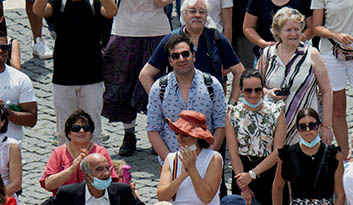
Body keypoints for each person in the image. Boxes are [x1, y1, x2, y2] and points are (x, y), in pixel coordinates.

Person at [31, 0, 113, 146]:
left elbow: (112, 11)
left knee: (93, 130)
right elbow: (38, 10)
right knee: (63, 132)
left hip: (92, 77)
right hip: (63, 77)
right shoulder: (59, 4)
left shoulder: (94, 4)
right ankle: (65, 166)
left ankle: (96, 166)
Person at [273, 108, 345, 205]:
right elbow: (277, 188)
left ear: (319, 126)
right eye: (302, 126)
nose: (307, 130)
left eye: (312, 125)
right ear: (297, 129)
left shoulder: (333, 153)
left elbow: (340, 195)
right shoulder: (288, 154)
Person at [101, 0, 171, 157]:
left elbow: (164, 2)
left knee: (157, 88)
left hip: (156, 31)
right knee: (122, 86)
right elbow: (110, 6)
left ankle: (158, 134)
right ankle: (129, 134)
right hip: (125, 30)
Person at [140, 0, 245, 104]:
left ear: (206, 16)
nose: (198, 15)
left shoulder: (216, 39)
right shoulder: (171, 39)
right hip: (179, 111)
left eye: (202, 12)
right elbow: (145, 75)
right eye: (193, 11)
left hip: (212, 109)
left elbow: (239, 71)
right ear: (184, 15)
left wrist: (232, 104)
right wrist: (162, 103)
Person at [145, 34, 228, 162]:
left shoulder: (212, 84)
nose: (181, 59)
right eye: (175, 56)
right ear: (170, 61)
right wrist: (170, 161)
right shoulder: (159, 88)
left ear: (193, 56)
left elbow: (221, 125)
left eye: (185, 54)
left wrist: (207, 159)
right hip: (172, 161)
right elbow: (153, 129)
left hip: (205, 162)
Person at [258, 9, 334, 146]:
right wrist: (268, 93)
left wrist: (327, 127)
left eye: (297, 29)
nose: (293, 34)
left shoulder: (312, 54)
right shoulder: (268, 54)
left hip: (305, 129)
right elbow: (256, 87)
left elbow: (327, 91)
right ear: (278, 32)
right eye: (288, 30)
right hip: (272, 128)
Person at [226, 70, 287, 205]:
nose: (253, 94)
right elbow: (233, 152)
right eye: (248, 90)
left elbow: (278, 151)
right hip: (242, 172)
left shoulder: (276, 111)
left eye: (258, 90)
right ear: (240, 90)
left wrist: (252, 174)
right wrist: (244, 186)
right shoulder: (233, 113)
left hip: (268, 172)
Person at [311, 0, 353, 151]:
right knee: (338, 108)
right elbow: (316, 27)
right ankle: (344, 156)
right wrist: (336, 35)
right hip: (331, 52)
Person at [157, 111, 224, 205]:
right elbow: (162, 196)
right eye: (177, 134)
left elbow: (206, 197)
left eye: (185, 135)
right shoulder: (171, 159)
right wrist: (182, 177)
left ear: (197, 137)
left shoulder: (213, 158)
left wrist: (192, 169)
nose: (180, 139)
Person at [41, 111, 117, 192]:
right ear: (68, 133)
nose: (81, 131)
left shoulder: (100, 152)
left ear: (91, 133)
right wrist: (71, 169)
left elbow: (110, 182)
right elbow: (48, 184)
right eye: (76, 128)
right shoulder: (58, 153)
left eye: (86, 128)